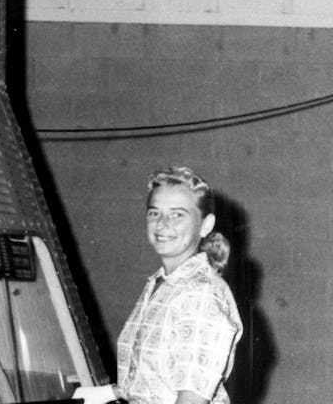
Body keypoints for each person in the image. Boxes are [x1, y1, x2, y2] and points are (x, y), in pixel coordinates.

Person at [74, 166, 242, 404]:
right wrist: (112, 392)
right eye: (154, 213)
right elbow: (156, 377)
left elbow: (191, 401)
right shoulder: (162, 283)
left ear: (205, 225)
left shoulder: (200, 293)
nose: (162, 224)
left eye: (177, 215)